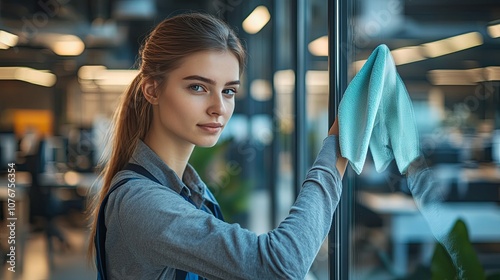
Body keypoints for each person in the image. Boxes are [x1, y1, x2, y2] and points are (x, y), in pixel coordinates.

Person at [87, 12, 347, 280]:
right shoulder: (141, 202)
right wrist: (337, 150)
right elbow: (280, 265)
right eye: (198, 87)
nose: (219, 108)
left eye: (229, 91)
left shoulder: (189, 190)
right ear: (152, 90)